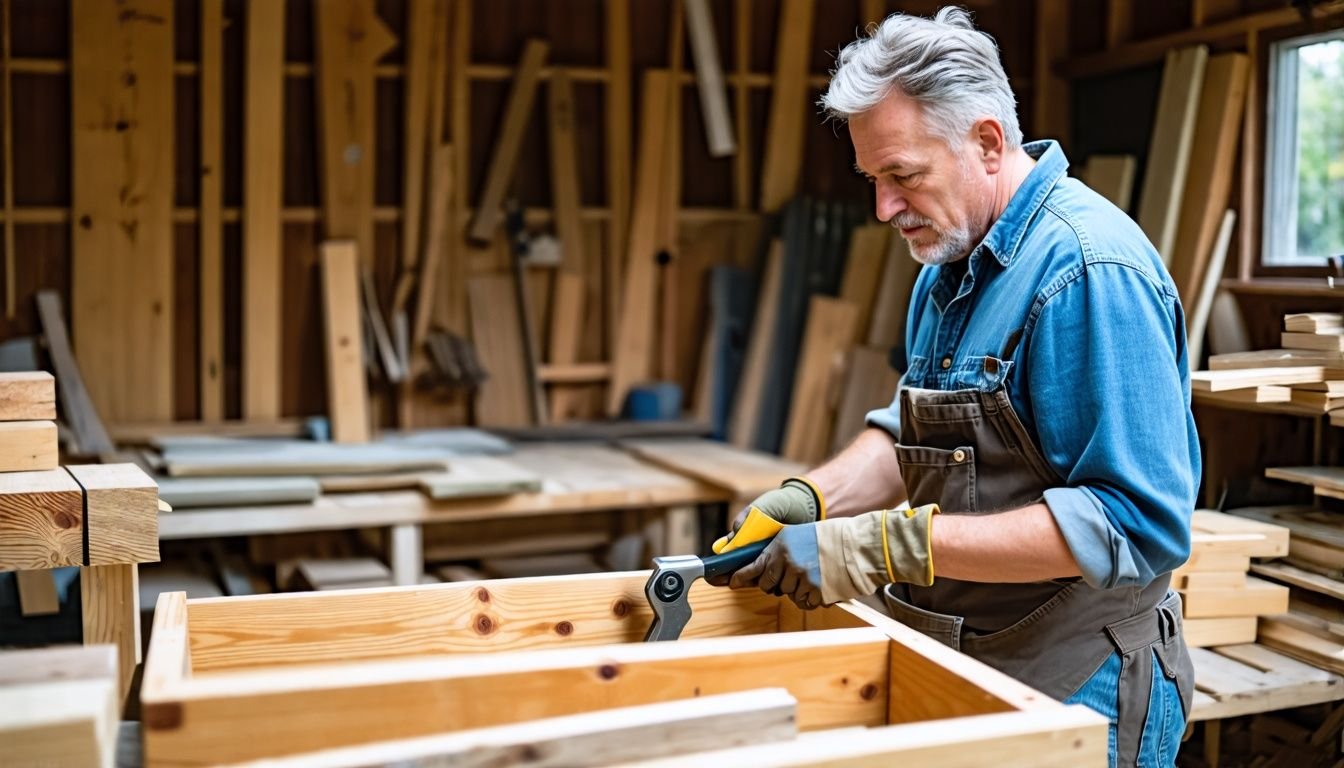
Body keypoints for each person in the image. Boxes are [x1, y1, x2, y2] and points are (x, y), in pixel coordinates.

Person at [725, 8, 1200, 767]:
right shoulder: (949, 264)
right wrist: (814, 499)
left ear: (985, 142)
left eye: (903, 176)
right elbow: (910, 429)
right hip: (973, 659)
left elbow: (1130, 524)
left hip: (1082, 684)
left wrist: (884, 545)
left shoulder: (1087, 272)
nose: (883, 208)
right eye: (873, 180)